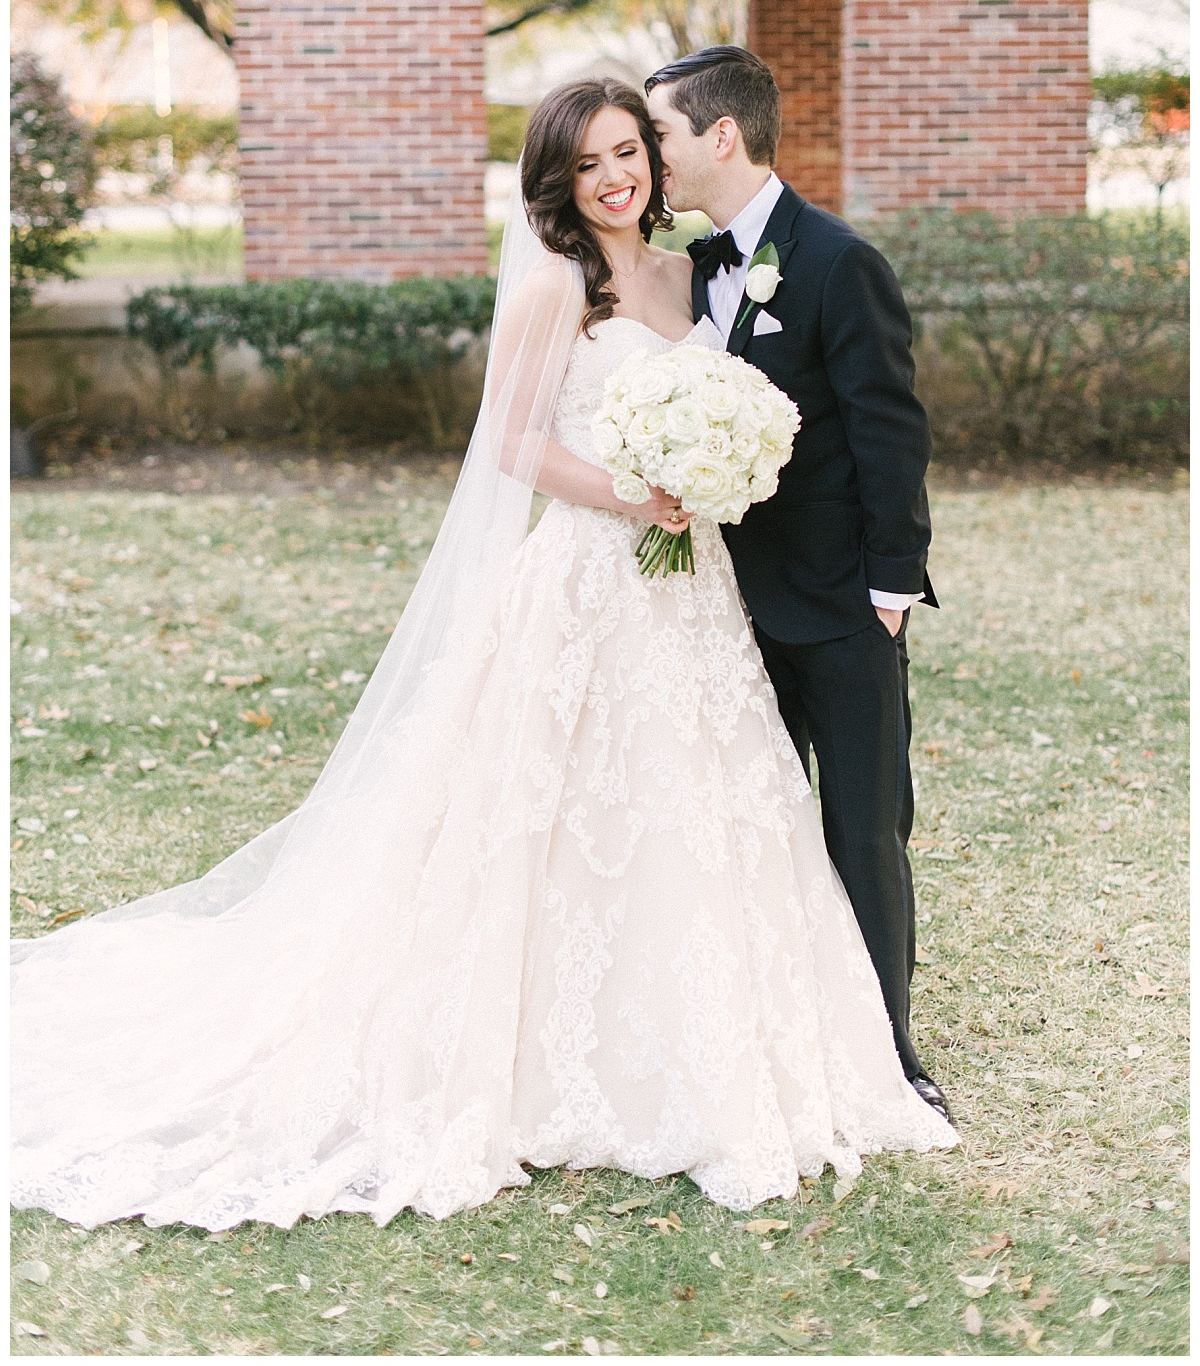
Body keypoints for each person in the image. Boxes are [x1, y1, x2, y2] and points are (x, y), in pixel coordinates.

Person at [11, 78, 954, 1235]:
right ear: (556, 184)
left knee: (698, 806)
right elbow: (512, 443)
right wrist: (633, 493)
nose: (617, 175)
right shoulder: (555, 287)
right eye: (591, 162)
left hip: (696, 594)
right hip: (589, 577)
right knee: (556, 816)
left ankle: (741, 1032)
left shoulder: (693, 275)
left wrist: (716, 476)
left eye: (629, 152)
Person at [645, 45, 949, 1121]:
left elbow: (888, 429)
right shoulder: (686, 264)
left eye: (664, 136)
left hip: (839, 609)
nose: (653, 156)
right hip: (726, 611)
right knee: (745, 830)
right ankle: (767, 1041)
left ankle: (891, 1055)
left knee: (862, 831)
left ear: (721, 135)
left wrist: (891, 586)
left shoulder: (835, 261)